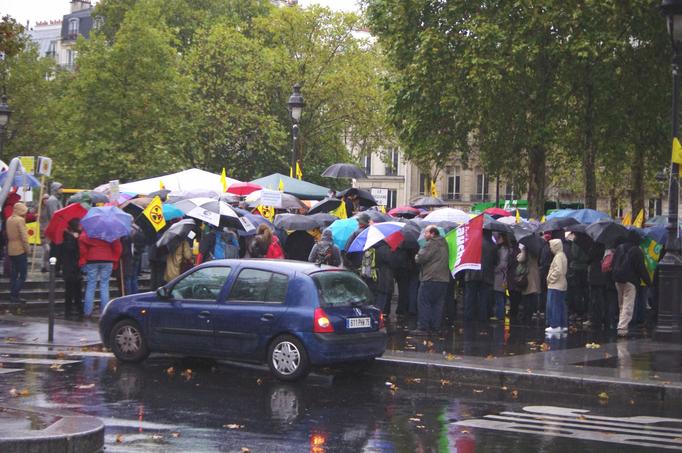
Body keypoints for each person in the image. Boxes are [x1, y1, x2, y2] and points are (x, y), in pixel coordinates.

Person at [612, 231, 651, 337]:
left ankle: (621, 323)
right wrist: (648, 282)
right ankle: (622, 327)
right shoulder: (637, 251)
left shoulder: (620, 248)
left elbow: (613, 263)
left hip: (617, 279)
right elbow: (641, 269)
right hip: (631, 281)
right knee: (628, 305)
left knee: (621, 304)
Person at [413, 225, 450, 333]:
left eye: (426, 232)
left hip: (430, 277)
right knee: (438, 304)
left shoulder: (430, 244)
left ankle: (423, 327)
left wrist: (416, 256)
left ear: (432, 233)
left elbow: (420, 258)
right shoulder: (444, 243)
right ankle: (435, 327)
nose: (424, 235)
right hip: (443, 279)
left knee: (424, 303)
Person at [79, 230, 122, 317]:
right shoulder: (110, 230)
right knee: (104, 285)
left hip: (92, 258)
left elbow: (82, 243)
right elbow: (117, 247)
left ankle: (87, 311)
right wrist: (115, 258)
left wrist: (84, 258)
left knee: (91, 285)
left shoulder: (90, 229)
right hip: (107, 258)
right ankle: (104, 311)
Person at [463, 230, 497, 322]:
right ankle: (482, 319)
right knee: (483, 300)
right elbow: (495, 262)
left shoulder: (473, 242)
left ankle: (469, 319)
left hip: (472, 273)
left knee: (470, 298)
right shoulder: (493, 246)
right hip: (487, 275)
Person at [6, 202, 29, 303]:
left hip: (11, 248)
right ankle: (14, 294)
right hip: (20, 249)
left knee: (14, 274)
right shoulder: (20, 220)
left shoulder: (9, 219)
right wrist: (27, 249)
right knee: (23, 274)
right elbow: (24, 237)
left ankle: (13, 295)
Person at [39, 182, 63, 273]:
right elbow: (54, 215)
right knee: (51, 250)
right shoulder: (53, 200)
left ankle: (51, 267)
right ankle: (51, 268)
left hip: (54, 228)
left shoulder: (56, 199)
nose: (62, 190)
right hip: (54, 229)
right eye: (60, 188)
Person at [61, 218, 83, 319]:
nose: (81, 226)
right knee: (71, 290)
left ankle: (76, 309)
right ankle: (70, 310)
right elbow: (72, 250)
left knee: (76, 290)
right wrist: (76, 239)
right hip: (71, 268)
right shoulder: (69, 237)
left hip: (73, 267)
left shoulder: (72, 236)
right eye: (79, 225)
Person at [545, 238, 568, 334]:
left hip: (555, 285)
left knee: (554, 305)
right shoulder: (562, 255)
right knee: (561, 305)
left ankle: (555, 325)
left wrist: (550, 278)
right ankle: (562, 325)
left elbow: (558, 270)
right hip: (562, 284)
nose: (550, 249)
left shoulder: (558, 256)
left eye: (551, 246)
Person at [516, 243, 541, 323]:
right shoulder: (536, 249)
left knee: (527, 297)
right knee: (532, 296)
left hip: (528, 275)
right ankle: (530, 314)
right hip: (535, 274)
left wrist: (522, 250)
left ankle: (526, 316)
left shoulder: (526, 249)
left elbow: (521, 259)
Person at [492, 232, 510, 321]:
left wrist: (495, 270)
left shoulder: (503, 249)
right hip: (502, 275)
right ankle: (500, 314)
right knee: (500, 295)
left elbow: (503, 263)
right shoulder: (505, 248)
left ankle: (499, 315)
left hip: (500, 276)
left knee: (499, 295)